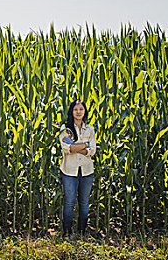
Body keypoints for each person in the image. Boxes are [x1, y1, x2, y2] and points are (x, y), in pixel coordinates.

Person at [58, 99, 96, 237]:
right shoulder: (65, 129)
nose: (78, 112)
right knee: (69, 202)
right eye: (75, 109)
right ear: (71, 111)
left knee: (84, 203)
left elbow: (92, 151)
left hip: (87, 171)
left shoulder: (90, 129)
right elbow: (67, 149)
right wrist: (85, 145)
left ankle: (81, 232)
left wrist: (77, 147)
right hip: (69, 171)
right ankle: (67, 232)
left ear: (84, 111)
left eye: (81, 109)